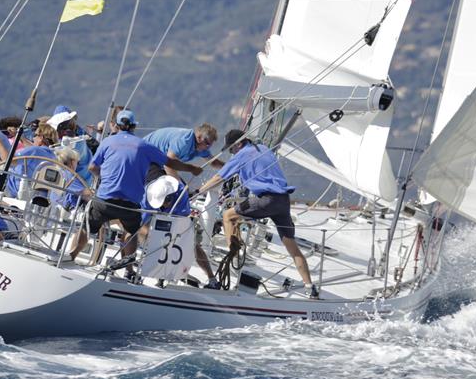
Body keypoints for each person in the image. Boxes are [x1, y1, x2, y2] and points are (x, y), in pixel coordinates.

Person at [64, 110, 194, 280]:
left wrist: (104, 179)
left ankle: (71, 256)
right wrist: (192, 168)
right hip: (129, 204)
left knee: (87, 226)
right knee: (131, 231)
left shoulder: (108, 142)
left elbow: (92, 168)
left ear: (116, 125)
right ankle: (129, 270)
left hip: (105, 200)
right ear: (134, 127)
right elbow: (170, 162)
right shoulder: (144, 146)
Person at [196, 129, 319, 298]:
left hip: (267, 199)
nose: (232, 153)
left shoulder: (241, 154)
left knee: (228, 216)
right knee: (291, 245)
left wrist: (197, 191)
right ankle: (310, 287)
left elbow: (219, 177)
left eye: (231, 149)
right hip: (283, 201)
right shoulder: (263, 148)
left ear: (239, 144)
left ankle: (234, 257)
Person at [139, 169, 220, 289]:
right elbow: (143, 225)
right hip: (157, 213)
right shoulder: (148, 195)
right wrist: (149, 244)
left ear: (170, 196)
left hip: (178, 216)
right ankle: (152, 269)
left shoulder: (181, 193)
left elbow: (180, 223)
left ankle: (212, 278)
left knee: (191, 245)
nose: (163, 205)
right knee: (149, 236)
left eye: (166, 202)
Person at [0, 122, 58, 197]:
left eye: (34, 135)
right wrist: (18, 135)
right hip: (36, 194)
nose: (33, 138)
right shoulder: (52, 155)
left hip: (14, 190)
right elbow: (32, 148)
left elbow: (7, 161)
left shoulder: (35, 150)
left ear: (41, 137)